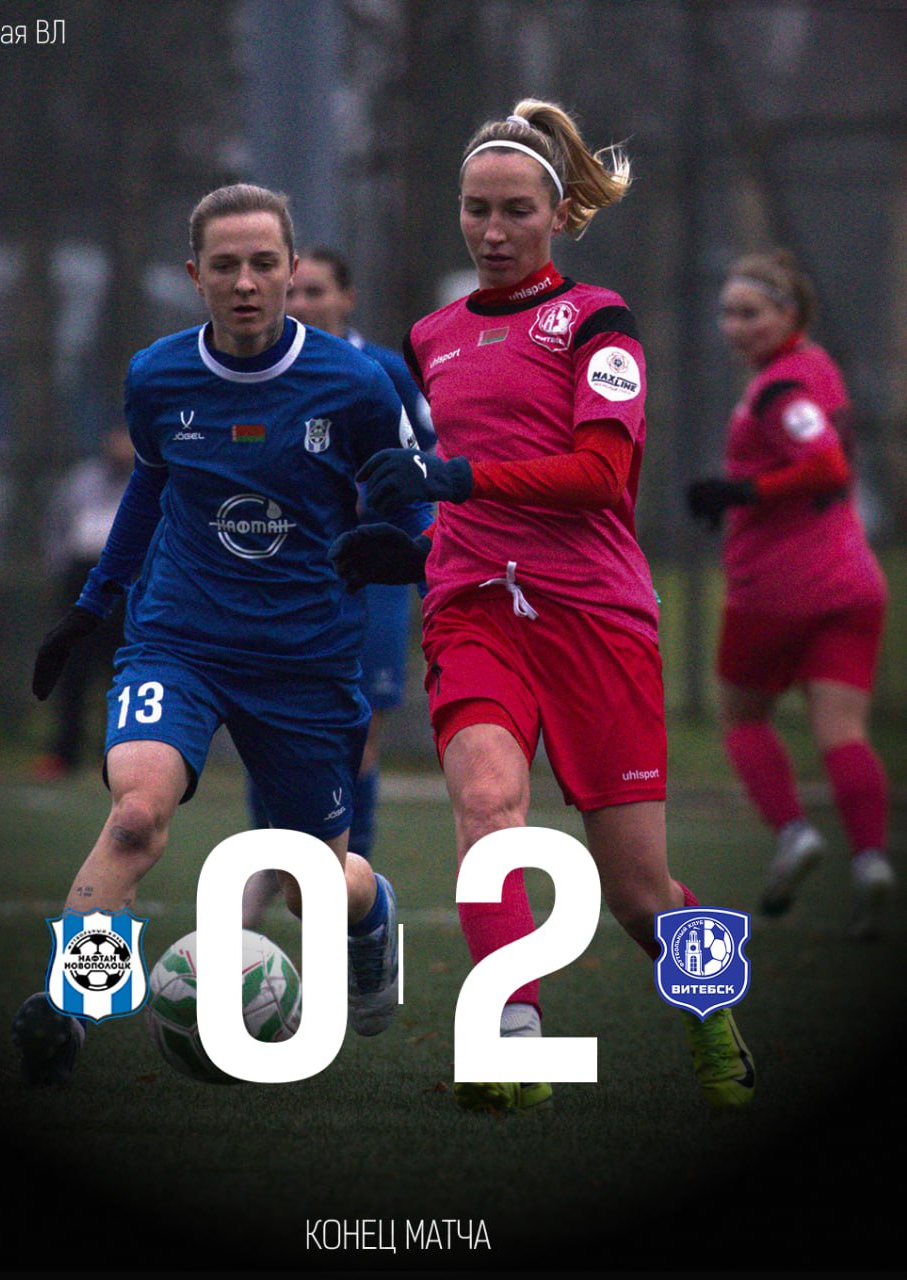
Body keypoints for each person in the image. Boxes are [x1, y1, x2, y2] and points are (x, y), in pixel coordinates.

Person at [329, 98, 756, 1113]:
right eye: (475, 209)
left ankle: (712, 1014)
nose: (491, 230)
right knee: (487, 804)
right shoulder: (430, 336)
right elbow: (453, 483)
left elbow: (601, 477)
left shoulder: (600, 321)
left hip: (595, 616)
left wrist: (454, 479)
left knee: (638, 892)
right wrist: (412, 544)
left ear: (559, 214)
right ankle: (513, 1042)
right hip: (473, 605)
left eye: (515, 210)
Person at [11, 182, 433, 1085]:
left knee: (313, 882)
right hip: (181, 639)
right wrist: (92, 605)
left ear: (291, 270)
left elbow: (411, 498)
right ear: (194, 275)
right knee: (135, 815)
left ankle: (369, 913)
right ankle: (73, 1005)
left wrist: (409, 551)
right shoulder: (157, 376)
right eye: (226, 265)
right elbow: (151, 484)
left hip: (305, 659)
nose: (246, 283)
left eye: (264, 264)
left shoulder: (355, 384)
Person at [687, 249, 893, 939]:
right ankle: (870, 861)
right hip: (852, 580)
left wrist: (740, 491)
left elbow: (824, 463)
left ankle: (793, 834)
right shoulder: (817, 366)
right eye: (727, 313)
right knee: (843, 732)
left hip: (777, 587)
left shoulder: (780, 389)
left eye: (750, 313)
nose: (734, 327)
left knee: (741, 718)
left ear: (788, 314)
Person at [241, 246, 435, 928]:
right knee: (265, 728)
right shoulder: (260, 370)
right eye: (292, 292)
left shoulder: (380, 371)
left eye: (315, 291)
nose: (301, 304)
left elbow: (426, 462)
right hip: (283, 574)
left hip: (370, 576)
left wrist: (411, 540)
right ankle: (270, 871)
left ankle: (354, 888)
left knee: (359, 735)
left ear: (347, 298)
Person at [32, 426, 136, 781]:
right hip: (81, 577)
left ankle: (117, 753)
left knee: (122, 671)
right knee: (73, 669)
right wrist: (62, 570)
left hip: (126, 584)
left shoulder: (144, 481)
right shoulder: (81, 480)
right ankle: (65, 752)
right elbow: (57, 525)